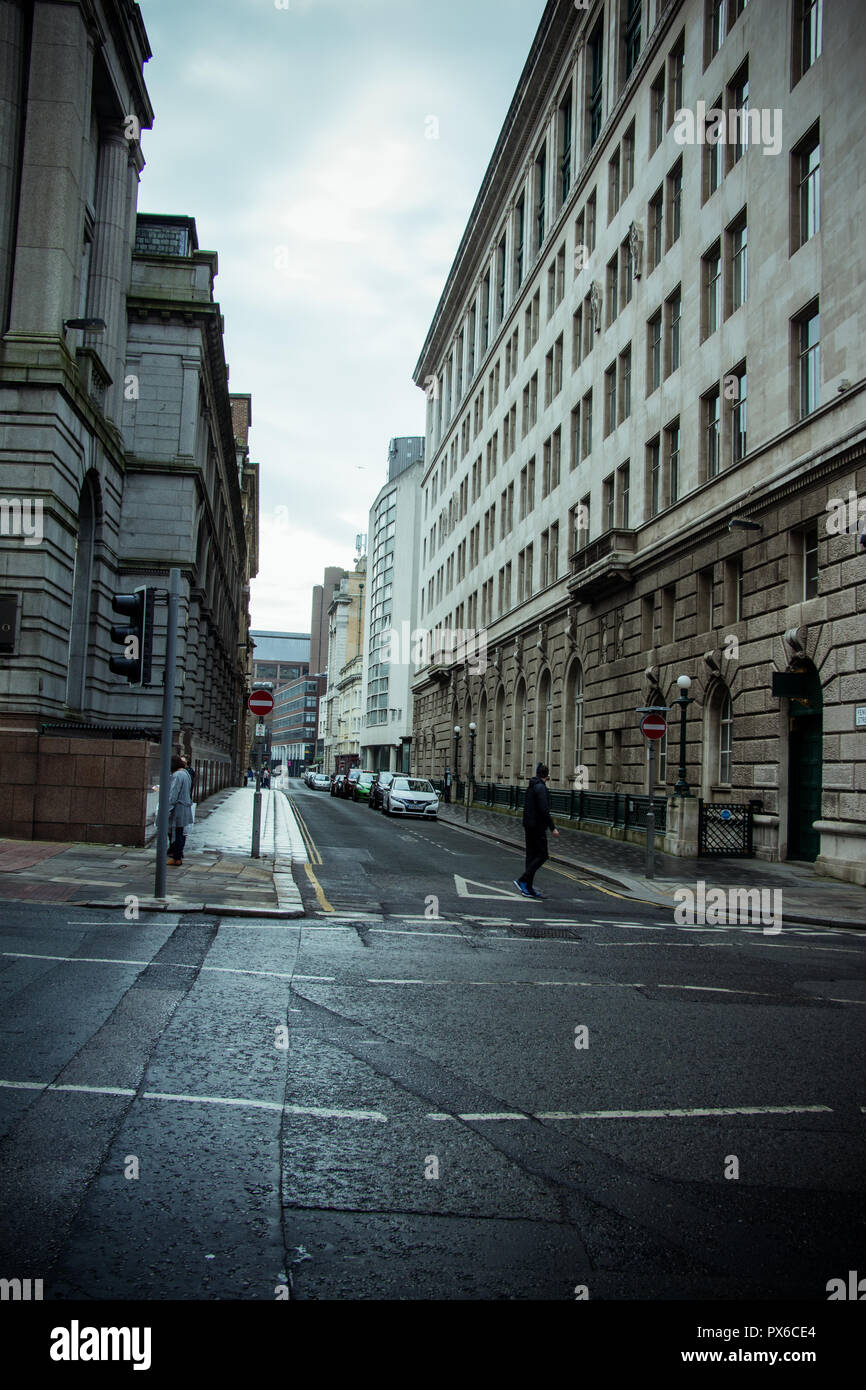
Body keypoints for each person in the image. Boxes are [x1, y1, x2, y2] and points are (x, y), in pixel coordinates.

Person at [514, 762, 559, 899]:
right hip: (537, 827)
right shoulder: (541, 788)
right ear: (547, 775)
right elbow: (544, 810)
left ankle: (527, 887)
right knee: (542, 855)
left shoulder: (532, 786)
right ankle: (523, 880)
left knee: (531, 856)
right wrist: (553, 828)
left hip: (528, 826)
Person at [167, 754, 194, 866]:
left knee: (176, 832)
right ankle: (178, 856)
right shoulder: (185, 773)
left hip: (178, 808)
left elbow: (174, 793)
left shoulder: (177, 775)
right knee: (181, 832)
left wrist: (167, 808)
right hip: (185, 807)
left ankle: (176, 857)